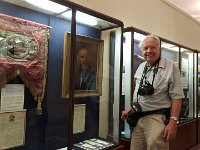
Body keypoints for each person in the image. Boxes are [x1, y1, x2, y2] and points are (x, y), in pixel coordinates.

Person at [121, 34, 184, 150]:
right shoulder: (141, 67)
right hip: (138, 118)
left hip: (157, 119)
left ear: (159, 48)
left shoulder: (171, 67)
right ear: (141, 50)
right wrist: (130, 108)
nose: (149, 51)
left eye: (152, 47)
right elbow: (138, 92)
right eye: (145, 48)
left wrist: (173, 123)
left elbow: (177, 97)